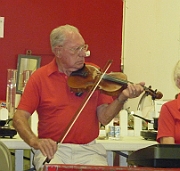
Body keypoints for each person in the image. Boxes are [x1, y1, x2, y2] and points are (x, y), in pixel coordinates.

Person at [12, 24, 145, 170]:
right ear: (58, 51)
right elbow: (19, 118)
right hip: (54, 149)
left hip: (89, 150)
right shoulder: (40, 78)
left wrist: (122, 98)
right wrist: (35, 141)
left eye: (84, 47)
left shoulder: (94, 74)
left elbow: (105, 118)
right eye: (76, 49)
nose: (83, 53)